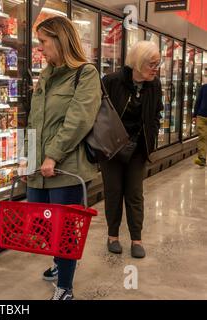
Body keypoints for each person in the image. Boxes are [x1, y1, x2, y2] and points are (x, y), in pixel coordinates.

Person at [19, 16, 101, 300]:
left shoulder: (86, 74)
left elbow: (78, 120)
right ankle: (59, 264)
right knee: (42, 227)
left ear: (60, 39)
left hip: (67, 168)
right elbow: (34, 119)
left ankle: (65, 287)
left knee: (64, 229)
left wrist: (52, 155)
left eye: (43, 41)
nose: (39, 48)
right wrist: (26, 157)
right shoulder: (46, 73)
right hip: (40, 168)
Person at [100, 41, 163, 259]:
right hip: (112, 149)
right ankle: (113, 236)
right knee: (113, 192)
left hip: (138, 148)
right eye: (152, 64)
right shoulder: (112, 81)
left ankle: (137, 238)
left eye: (158, 64)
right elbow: (98, 113)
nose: (156, 68)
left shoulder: (154, 85)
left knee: (135, 194)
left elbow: (157, 113)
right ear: (138, 63)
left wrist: (151, 136)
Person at [193, 80, 207, 167]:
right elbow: (198, 101)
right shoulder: (204, 87)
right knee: (202, 137)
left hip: (201, 115)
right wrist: (195, 115)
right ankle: (202, 159)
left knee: (203, 138)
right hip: (201, 116)